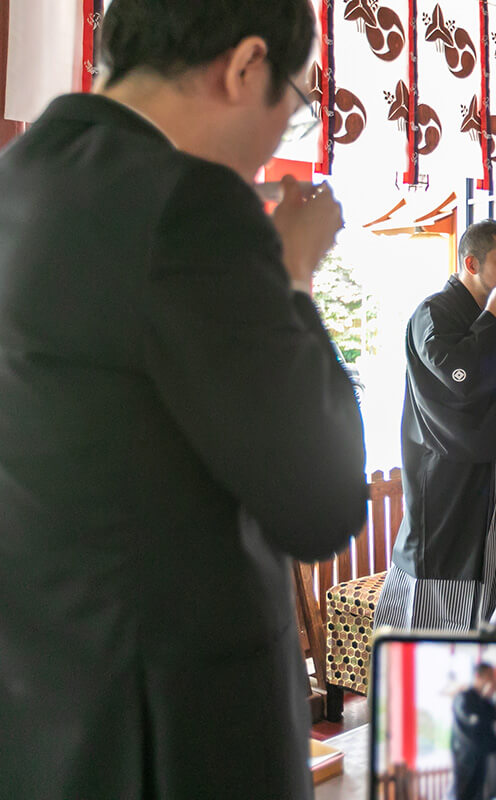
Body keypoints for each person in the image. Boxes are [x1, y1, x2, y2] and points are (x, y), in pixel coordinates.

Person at [0, 2, 368, 797]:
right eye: (295, 105)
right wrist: (295, 274)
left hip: (46, 721)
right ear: (243, 67)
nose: (281, 140)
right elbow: (324, 502)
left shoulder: (17, 181)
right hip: (177, 735)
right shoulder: (188, 207)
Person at [374, 220, 496, 631]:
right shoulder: (433, 313)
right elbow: (457, 376)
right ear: (472, 262)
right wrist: (493, 314)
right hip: (451, 468)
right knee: (447, 570)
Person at [451, 663, 496, 800]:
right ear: (478, 677)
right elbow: (475, 723)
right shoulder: (464, 698)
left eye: (493, 676)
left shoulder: (489, 702)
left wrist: (494, 702)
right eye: (489, 676)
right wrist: (485, 700)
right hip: (469, 760)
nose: (493, 680)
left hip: (490, 758)